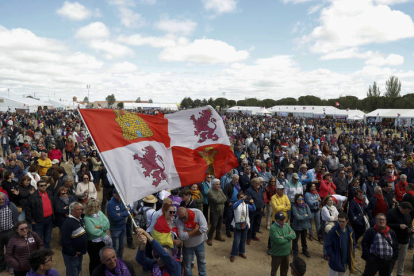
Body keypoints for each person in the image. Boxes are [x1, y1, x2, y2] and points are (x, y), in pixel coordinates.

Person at [176, 207, 208, 276]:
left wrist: (188, 233)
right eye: (181, 218)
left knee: (202, 262)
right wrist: (195, 230)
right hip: (188, 246)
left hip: (200, 243)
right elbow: (182, 236)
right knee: (187, 265)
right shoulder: (178, 220)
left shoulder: (197, 213)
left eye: (184, 217)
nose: (183, 220)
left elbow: (204, 228)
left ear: (187, 212)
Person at [83, 199, 111, 275]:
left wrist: (99, 226)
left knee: (103, 260)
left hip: (103, 241)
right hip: (93, 244)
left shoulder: (100, 213)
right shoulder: (87, 218)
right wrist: (103, 230)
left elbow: (108, 224)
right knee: (95, 262)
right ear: (92, 207)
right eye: (97, 206)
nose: (99, 207)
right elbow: (93, 232)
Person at [385, 201, 413, 276]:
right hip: (394, 240)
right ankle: (389, 273)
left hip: (405, 240)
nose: (407, 213)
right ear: (401, 208)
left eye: (408, 212)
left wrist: (410, 229)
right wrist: (398, 226)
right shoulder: (391, 213)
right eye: (406, 211)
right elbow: (386, 225)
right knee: (392, 258)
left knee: (402, 258)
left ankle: (400, 273)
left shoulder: (407, 214)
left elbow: (409, 223)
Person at [25, 179, 54, 249]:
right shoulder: (33, 196)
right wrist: (31, 220)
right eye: (41, 186)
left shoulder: (49, 193)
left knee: (48, 236)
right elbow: (28, 209)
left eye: (45, 185)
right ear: (38, 187)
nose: (44, 187)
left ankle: (47, 250)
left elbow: (53, 205)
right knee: (38, 237)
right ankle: (40, 251)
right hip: (38, 220)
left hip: (49, 219)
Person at [61, 202, 88, 276]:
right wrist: (73, 253)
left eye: (81, 209)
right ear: (72, 211)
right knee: (72, 273)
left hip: (79, 253)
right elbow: (65, 242)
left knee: (77, 270)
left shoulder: (79, 219)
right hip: (71, 255)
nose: (80, 211)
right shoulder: (68, 224)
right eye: (78, 209)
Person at [230, 191, 255, 262]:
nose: (243, 198)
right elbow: (234, 207)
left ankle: (241, 252)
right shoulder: (236, 204)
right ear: (238, 198)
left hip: (245, 224)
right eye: (241, 197)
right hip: (237, 224)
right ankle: (233, 254)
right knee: (236, 240)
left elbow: (253, 209)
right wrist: (241, 200)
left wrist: (252, 203)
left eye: (243, 197)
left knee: (243, 239)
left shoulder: (246, 205)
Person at [269, 212, 296, 276]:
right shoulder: (273, 228)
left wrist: (284, 237)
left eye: (284, 219)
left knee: (284, 271)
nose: (283, 220)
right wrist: (289, 238)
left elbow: (294, 235)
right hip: (277, 253)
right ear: (277, 220)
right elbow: (278, 241)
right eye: (281, 219)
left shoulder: (286, 225)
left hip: (286, 253)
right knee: (274, 271)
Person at [107, 189, 130, 259]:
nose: (119, 197)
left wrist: (121, 214)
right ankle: (114, 262)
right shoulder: (111, 204)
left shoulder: (123, 201)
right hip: (115, 229)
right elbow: (115, 217)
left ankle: (120, 261)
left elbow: (130, 211)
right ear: (114, 195)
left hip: (123, 227)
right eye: (118, 195)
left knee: (122, 246)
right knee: (115, 248)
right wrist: (125, 213)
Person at [0, 192, 19, 274]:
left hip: (9, 232)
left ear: (5, 199)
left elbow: (16, 217)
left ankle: (10, 266)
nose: (1, 201)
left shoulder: (11, 205)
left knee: (10, 250)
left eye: (3, 199)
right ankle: (1, 266)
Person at [207, 179, 227, 245]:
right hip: (214, 211)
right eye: (217, 184)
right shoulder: (210, 192)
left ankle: (218, 235)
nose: (218, 185)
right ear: (213, 185)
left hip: (221, 210)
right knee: (213, 225)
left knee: (219, 224)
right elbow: (216, 200)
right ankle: (209, 238)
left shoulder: (220, 190)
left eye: (219, 184)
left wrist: (221, 200)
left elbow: (225, 198)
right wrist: (222, 200)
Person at [291, 194, 311, 258]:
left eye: (302, 199)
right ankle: (295, 252)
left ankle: (304, 250)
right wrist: (305, 216)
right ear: (296, 200)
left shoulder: (306, 206)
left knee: (304, 239)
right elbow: (297, 217)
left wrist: (301, 216)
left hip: (305, 226)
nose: (301, 201)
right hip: (297, 226)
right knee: (295, 239)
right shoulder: (294, 207)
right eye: (299, 199)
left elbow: (310, 215)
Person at [245, 177, 265, 244]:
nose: (258, 184)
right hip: (252, 210)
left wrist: (262, 206)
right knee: (250, 223)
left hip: (259, 209)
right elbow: (247, 200)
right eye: (257, 183)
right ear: (253, 183)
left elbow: (261, 198)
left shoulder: (259, 190)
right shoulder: (249, 191)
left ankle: (254, 235)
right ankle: (248, 237)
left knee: (257, 223)